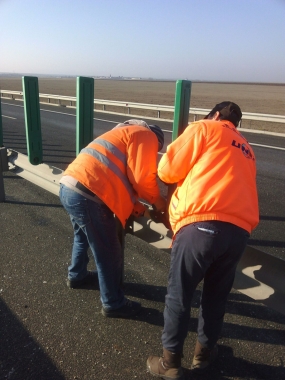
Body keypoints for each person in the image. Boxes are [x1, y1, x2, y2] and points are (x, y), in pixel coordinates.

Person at [147, 101, 259, 379]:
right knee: (215, 296)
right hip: (238, 232)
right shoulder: (247, 149)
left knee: (180, 294)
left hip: (201, 223)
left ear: (216, 115)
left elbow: (167, 170)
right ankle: (204, 355)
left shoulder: (204, 128)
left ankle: (170, 363)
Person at [59, 119, 166, 319]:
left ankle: (77, 275)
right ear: (156, 139)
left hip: (70, 186)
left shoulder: (121, 135)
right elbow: (141, 179)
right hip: (89, 194)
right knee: (109, 251)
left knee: (82, 236)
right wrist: (159, 203)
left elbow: (121, 179)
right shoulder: (146, 135)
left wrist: (141, 209)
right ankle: (113, 303)